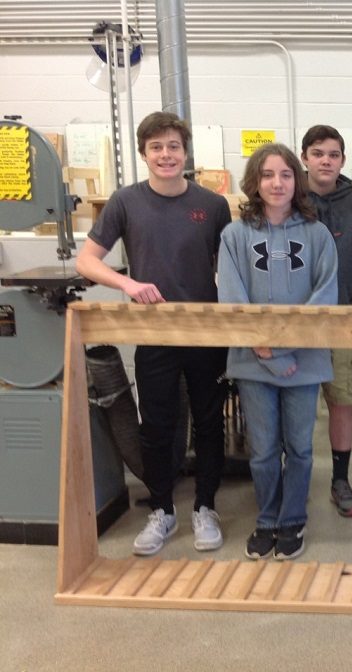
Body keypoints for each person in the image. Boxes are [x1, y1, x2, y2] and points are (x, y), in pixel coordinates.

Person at [75, 111, 231, 556]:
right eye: (157, 147)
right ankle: (162, 509)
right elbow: (87, 261)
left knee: (207, 422)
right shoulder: (126, 202)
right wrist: (127, 284)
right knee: (156, 426)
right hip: (154, 335)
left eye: (174, 147)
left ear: (185, 152)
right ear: (145, 154)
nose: (166, 155)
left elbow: (232, 264)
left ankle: (205, 507)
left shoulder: (213, 205)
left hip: (205, 334)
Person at [217, 143, 338, 560]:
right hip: (254, 361)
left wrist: (284, 349)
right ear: (254, 182)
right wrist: (266, 347)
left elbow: (325, 295)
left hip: (304, 361)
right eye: (268, 175)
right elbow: (232, 297)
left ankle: (292, 518)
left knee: (301, 447)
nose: (277, 183)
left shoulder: (317, 233)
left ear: (296, 180)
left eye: (285, 174)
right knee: (265, 449)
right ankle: (266, 517)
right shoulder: (234, 235)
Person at [301, 124, 352, 517]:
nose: (326, 161)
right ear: (304, 158)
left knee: (341, 404)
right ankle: (296, 480)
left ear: (342, 161)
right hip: (297, 327)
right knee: (296, 406)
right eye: (318, 153)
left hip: (343, 326)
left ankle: (340, 480)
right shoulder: (288, 200)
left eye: (334, 154)